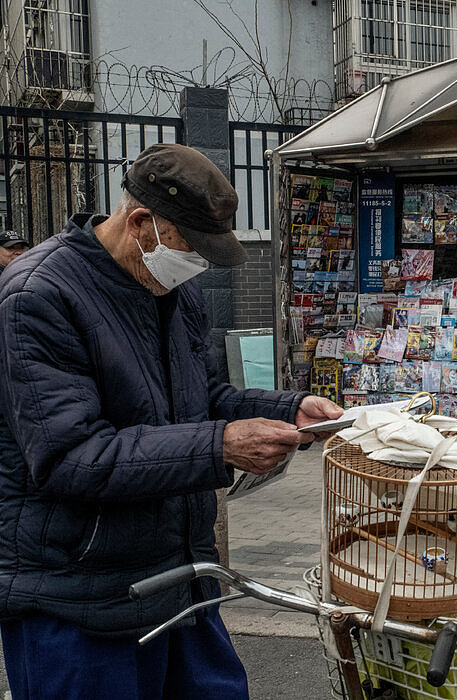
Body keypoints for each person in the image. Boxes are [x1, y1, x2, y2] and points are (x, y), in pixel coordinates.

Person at [0, 143, 344, 697]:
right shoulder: (39, 296)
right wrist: (219, 447)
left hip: (181, 579)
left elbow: (201, 397)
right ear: (140, 223)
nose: (199, 266)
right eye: (194, 249)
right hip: (78, 597)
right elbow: (71, 458)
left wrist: (287, 409)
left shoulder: (172, 290)